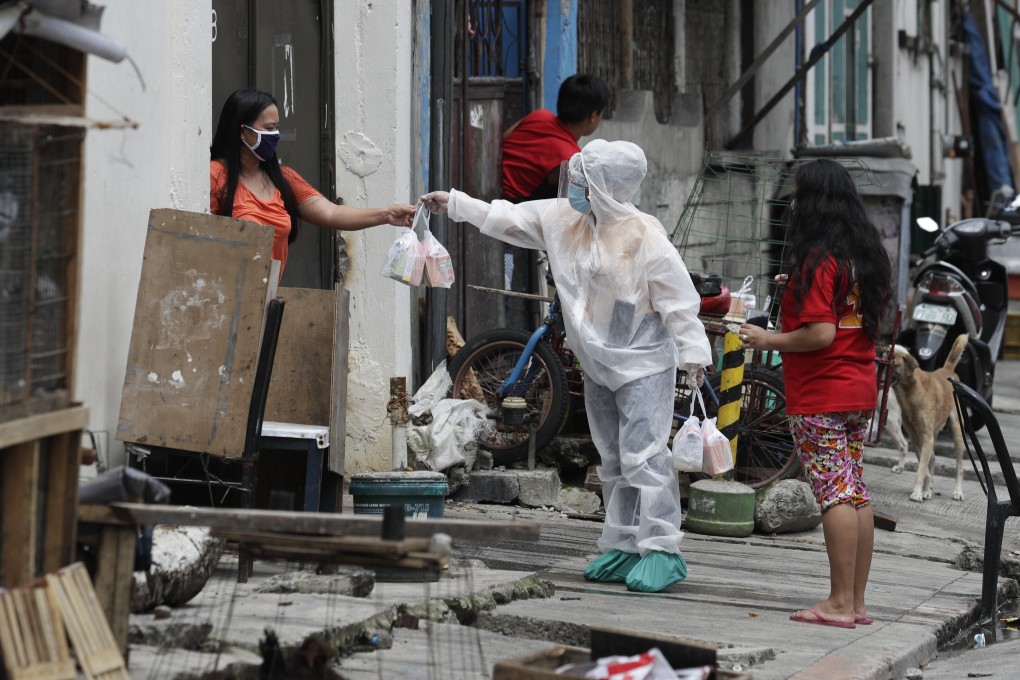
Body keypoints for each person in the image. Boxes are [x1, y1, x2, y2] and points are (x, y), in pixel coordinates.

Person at [421, 139, 712, 593]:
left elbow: (678, 300)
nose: (572, 185)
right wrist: (455, 203)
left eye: (581, 178)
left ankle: (662, 549)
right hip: (596, 361)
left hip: (643, 365)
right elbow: (512, 218)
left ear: (603, 186)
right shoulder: (565, 221)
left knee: (645, 456)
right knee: (612, 457)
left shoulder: (644, 235)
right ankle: (622, 543)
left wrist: (693, 351)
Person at [740, 158, 892, 628]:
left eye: (800, 194)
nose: (793, 203)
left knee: (834, 494)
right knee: (855, 492)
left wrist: (768, 340)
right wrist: (794, 290)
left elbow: (821, 333)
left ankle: (839, 604)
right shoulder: (861, 255)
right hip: (857, 389)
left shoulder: (817, 258)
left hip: (822, 391)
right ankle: (857, 604)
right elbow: (841, 312)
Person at [210, 88, 415, 276]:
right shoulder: (215, 176)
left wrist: (387, 215)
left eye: (277, 128)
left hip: (265, 302)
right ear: (243, 132)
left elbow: (332, 212)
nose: (275, 135)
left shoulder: (283, 179)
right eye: (268, 128)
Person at [501, 74, 610, 203]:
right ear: (593, 116)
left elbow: (503, 140)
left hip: (488, 190)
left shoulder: (538, 116)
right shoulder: (571, 159)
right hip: (512, 209)